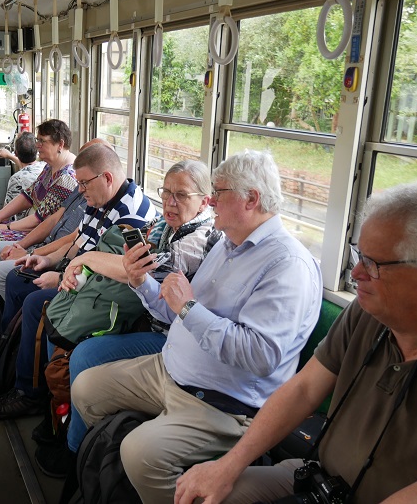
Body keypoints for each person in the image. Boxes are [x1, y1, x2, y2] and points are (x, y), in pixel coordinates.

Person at [174, 180, 417, 504]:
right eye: (359, 256)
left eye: (374, 264)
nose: (356, 274)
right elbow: (304, 389)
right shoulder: (365, 314)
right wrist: (226, 467)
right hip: (322, 481)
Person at [71, 150, 323, 504]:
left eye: (219, 193)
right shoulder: (227, 245)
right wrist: (140, 281)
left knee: (140, 454)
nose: (212, 201)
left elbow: (261, 356)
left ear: (251, 199)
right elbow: (175, 312)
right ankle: (108, 481)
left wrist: (188, 308)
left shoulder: (287, 265)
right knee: (86, 388)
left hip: (223, 404)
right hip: (168, 372)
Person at [34, 159, 221, 475]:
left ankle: (74, 449)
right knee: (63, 324)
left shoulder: (195, 242)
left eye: (181, 195)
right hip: (146, 315)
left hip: (171, 335)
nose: (170, 202)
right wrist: (83, 271)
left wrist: (86, 260)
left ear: (204, 202)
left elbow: (138, 271)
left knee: (84, 354)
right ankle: (58, 414)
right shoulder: (165, 226)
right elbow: (132, 264)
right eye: (166, 192)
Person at [0, 142, 157, 419]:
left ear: (107, 178)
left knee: (35, 305)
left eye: (84, 183)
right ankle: (7, 359)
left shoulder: (131, 217)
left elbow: (118, 274)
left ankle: (30, 392)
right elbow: (77, 243)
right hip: (78, 276)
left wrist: (61, 277)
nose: (80, 190)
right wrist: (47, 261)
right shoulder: (100, 200)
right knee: (17, 279)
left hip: (102, 294)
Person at [0, 122, 77, 295]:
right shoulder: (50, 167)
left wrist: (5, 227)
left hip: (45, 237)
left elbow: (40, 219)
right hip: (37, 230)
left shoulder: (67, 178)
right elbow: (28, 195)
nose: (37, 145)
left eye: (42, 141)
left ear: (60, 144)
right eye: (37, 140)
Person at [0, 131, 45, 220]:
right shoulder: (45, 167)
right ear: (37, 151)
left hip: (21, 224)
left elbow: (5, 215)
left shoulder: (16, 179)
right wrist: (10, 156)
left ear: (16, 153)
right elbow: (27, 168)